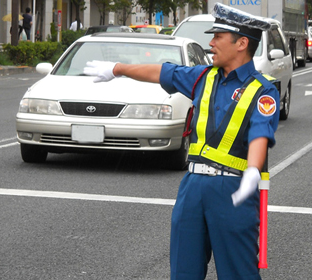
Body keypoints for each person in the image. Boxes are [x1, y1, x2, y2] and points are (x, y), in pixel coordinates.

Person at [84, 3, 280, 279]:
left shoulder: (263, 90)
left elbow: (261, 132)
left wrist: (252, 169)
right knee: (183, 270)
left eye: (218, 37)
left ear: (242, 43)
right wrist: (117, 68)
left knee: (238, 272)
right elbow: (161, 72)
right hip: (192, 186)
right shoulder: (203, 77)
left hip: (233, 188)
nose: (210, 43)